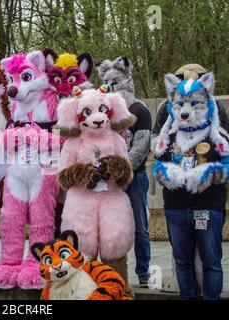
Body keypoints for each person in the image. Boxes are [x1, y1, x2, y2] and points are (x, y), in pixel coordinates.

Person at [153, 70, 229, 300]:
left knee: (211, 262)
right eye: (181, 105)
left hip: (208, 207)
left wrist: (208, 175)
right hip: (176, 208)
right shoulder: (171, 137)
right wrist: (167, 175)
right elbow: (158, 165)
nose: (186, 111)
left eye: (193, 104)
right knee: (182, 262)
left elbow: (228, 165)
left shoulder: (217, 137)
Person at [96, 56, 152, 287]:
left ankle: (144, 272)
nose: (113, 87)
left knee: (140, 225)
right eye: (109, 83)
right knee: (111, 225)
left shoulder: (140, 109)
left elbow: (142, 144)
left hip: (134, 175)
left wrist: (123, 169)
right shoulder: (102, 114)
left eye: (116, 81)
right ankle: (110, 272)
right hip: (108, 179)